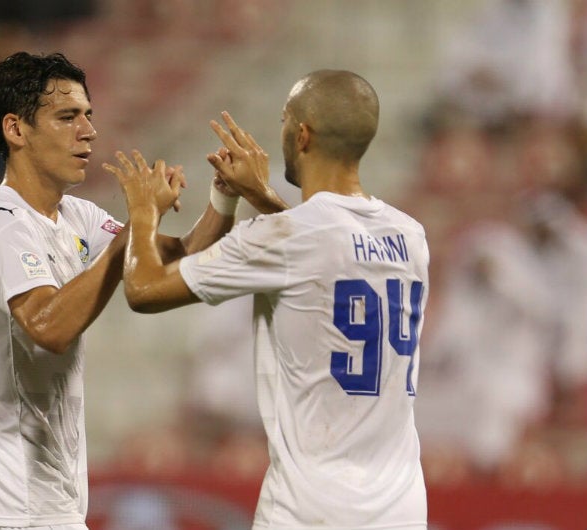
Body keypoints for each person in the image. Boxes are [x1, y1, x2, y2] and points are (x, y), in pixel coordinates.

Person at [104, 70, 430, 529]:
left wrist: (142, 210)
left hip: (310, 506)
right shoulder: (411, 236)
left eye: (283, 120)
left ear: (302, 135)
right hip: (401, 507)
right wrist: (258, 196)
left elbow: (144, 290)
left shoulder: (285, 236)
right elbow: (324, 251)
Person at [0, 51, 237, 530]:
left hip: (49, 502)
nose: (88, 130)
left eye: (88, 115)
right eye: (67, 117)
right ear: (16, 130)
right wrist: (135, 228)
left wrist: (224, 196)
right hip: (3, 504)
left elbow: (179, 257)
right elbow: (48, 327)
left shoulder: (77, 218)